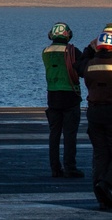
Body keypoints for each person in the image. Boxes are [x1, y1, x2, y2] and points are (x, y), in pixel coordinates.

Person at [42, 22, 84, 177]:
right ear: (68, 35)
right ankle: (70, 167)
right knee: (70, 134)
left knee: (54, 134)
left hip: (52, 96)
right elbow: (81, 69)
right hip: (70, 96)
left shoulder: (45, 52)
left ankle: (55, 168)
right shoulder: (73, 51)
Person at [78, 30, 112, 210]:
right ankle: (106, 184)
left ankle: (101, 194)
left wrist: (88, 49)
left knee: (100, 155)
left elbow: (78, 66)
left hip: (94, 113)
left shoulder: (90, 65)